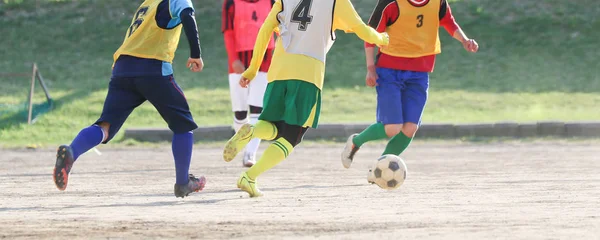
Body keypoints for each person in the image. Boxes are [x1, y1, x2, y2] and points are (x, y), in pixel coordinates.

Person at [222, 0, 389, 197]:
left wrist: (252, 69)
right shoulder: (336, 2)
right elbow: (362, 30)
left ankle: (253, 131)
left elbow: (266, 28)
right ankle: (249, 177)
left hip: (278, 72)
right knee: (291, 137)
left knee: (275, 127)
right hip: (308, 75)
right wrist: (383, 39)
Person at [52, 0, 206, 198]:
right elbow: (187, 16)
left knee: (105, 126)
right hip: (153, 70)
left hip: (122, 69)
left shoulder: (147, 4)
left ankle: (71, 152)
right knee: (183, 125)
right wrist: (196, 54)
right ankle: (183, 182)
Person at [341, 0, 479, 171]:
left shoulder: (438, 2)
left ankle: (379, 169)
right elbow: (370, 34)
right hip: (389, 70)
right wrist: (370, 68)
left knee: (410, 128)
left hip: (420, 72)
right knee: (392, 127)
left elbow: (448, 21)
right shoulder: (390, 3)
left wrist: (464, 40)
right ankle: (356, 142)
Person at [222, 0, 275, 167]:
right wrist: (234, 59)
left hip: (265, 61)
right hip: (239, 63)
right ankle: (242, 142)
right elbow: (228, 32)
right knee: (240, 112)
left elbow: (281, 28)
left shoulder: (273, 2)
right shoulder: (230, 3)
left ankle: (250, 153)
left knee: (258, 109)